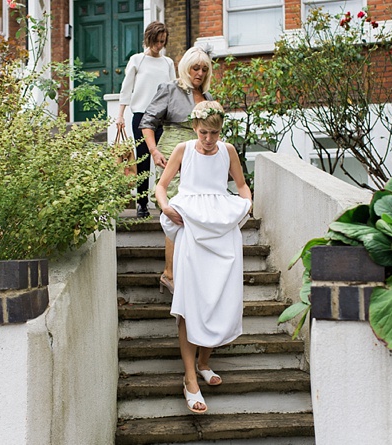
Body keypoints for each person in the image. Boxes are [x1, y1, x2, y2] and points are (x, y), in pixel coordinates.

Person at [154, 100, 252, 414]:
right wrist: (166, 207)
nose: (209, 138)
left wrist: (245, 206)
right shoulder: (183, 149)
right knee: (190, 302)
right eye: (204, 132)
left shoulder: (229, 151)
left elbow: (241, 186)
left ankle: (204, 362)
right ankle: (189, 379)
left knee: (218, 298)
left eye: (215, 132)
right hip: (192, 231)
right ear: (195, 127)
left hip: (222, 231)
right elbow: (162, 186)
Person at [139, 46, 214, 294]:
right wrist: (154, 151)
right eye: (196, 68)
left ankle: (191, 271)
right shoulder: (170, 89)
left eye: (204, 69)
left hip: (201, 156)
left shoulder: (208, 97)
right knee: (175, 212)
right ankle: (169, 273)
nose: (200, 73)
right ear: (186, 68)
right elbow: (147, 122)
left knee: (197, 212)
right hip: (173, 154)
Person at [115, 21, 176, 218]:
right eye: (157, 41)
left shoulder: (167, 63)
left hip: (162, 118)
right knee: (143, 160)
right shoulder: (137, 60)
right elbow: (127, 88)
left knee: (166, 158)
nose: (160, 45)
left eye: (163, 42)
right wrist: (120, 115)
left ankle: (163, 201)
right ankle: (141, 204)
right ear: (149, 39)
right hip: (141, 116)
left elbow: (173, 90)